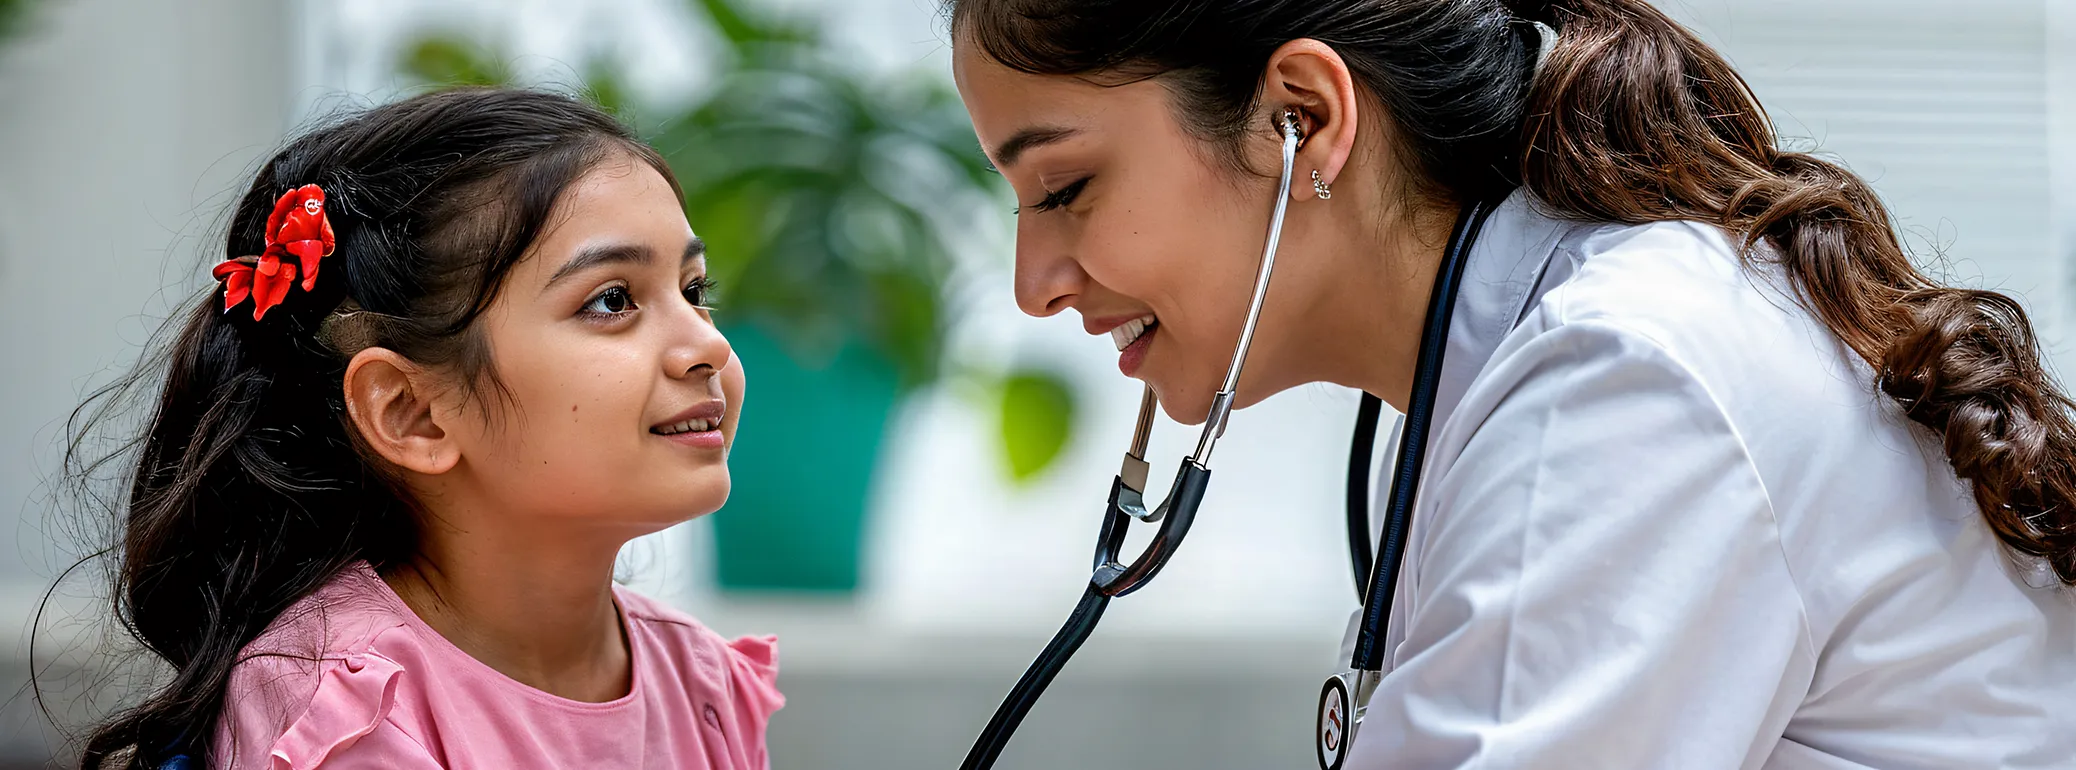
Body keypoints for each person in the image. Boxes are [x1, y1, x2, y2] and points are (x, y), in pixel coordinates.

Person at [945, 0, 2074, 766]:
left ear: (1304, 117)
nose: (1032, 285)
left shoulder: (1626, 384)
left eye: (1065, 188)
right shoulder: (1510, 372)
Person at [59, 88, 780, 769]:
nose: (708, 345)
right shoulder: (347, 709)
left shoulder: (701, 682)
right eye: (612, 300)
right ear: (412, 412)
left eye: (694, 290)